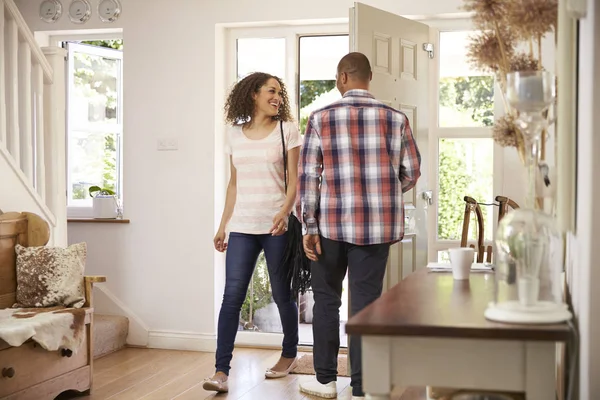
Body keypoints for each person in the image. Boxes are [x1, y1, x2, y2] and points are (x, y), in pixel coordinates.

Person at [297, 52, 421, 399]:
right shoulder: (395, 119)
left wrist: (309, 225)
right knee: (366, 305)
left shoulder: (321, 118)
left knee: (326, 301)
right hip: (375, 229)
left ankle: (325, 382)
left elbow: (308, 177)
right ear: (369, 78)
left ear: (342, 78)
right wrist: (382, 192)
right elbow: (411, 171)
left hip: (329, 228)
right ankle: (363, 387)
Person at [204, 72, 301, 393]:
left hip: (276, 226)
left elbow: (294, 180)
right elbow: (234, 184)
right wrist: (223, 225)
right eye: (271, 91)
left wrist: (285, 213)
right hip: (242, 227)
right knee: (231, 297)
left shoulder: (287, 130)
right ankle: (221, 371)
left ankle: (288, 354)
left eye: (280, 93)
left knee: (282, 293)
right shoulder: (234, 134)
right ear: (253, 95)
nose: (278, 97)